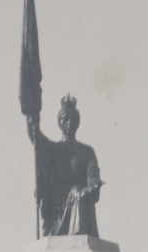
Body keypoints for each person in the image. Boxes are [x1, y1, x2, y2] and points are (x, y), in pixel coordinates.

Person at [26, 94, 102, 237]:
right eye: (65, 119)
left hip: (81, 208)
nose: (69, 123)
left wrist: (88, 189)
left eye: (73, 119)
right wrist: (31, 111)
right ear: (59, 122)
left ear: (78, 122)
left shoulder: (87, 152)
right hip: (57, 215)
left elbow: (94, 181)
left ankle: (77, 234)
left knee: (77, 192)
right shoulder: (52, 150)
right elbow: (35, 135)